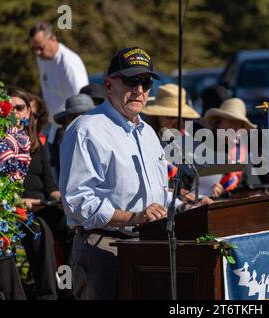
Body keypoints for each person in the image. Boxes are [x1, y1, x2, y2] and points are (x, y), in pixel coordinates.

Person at [59, 47, 212, 299]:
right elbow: (77, 201)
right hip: (103, 247)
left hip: (148, 247)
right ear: (108, 85)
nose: (139, 90)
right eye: (131, 81)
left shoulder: (148, 133)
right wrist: (132, 217)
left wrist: (190, 208)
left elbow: (159, 198)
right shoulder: (86, 129)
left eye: (146, 82)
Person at [8, 87, 63, 300]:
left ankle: (67, 285)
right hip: (16, 207)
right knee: (38, 230)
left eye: (20, 108)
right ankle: (47, 295)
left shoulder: (36, 145)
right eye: (9, 108)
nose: (14, 113)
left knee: (70, 225)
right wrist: (20, 201)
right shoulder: (0, 145)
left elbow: (50, 184)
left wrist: (61, 198)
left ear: (29, 112)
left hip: (43, 204)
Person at [29, 21, 88, 142]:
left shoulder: (69, 63)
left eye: (40, 47)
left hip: (71, 130)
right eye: (34, 48)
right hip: (55, 129)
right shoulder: (42, 59)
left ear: (53, 39)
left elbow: (82, 103)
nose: (37, 52)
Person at [204, 98, 257, 198]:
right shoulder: (204, 149)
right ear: (218, 123)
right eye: (231, 122)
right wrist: (207, 191)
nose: (236, 128)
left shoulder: (243, 154)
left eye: (240, 124)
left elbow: (252, 186)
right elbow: (191, 186)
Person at [50, 94, 96, 181]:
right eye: (74, 117)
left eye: (85, 116)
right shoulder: (61, 141)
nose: (80, 122)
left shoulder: (106, 138)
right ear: (67, 120)